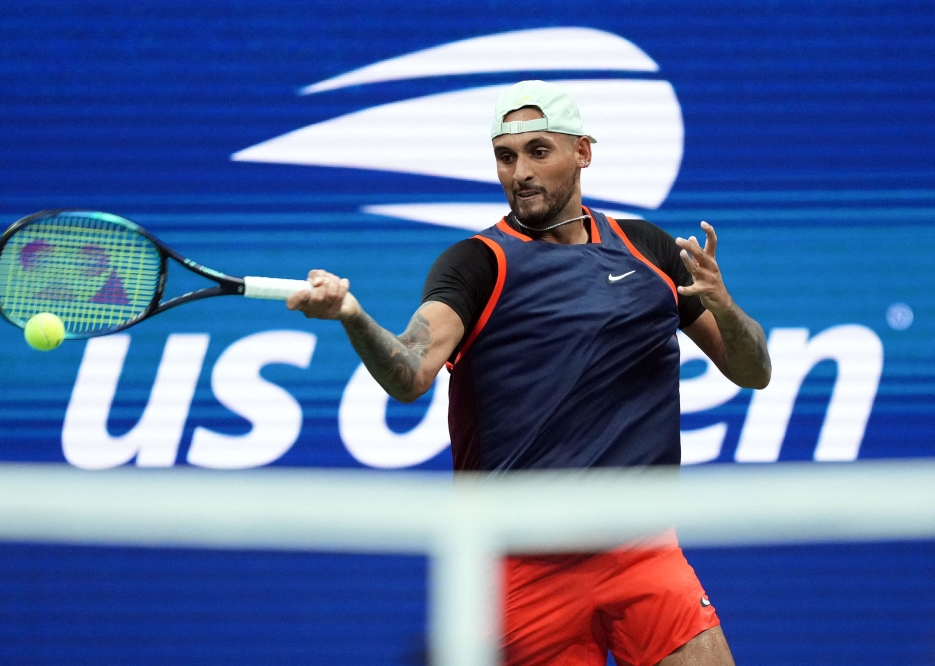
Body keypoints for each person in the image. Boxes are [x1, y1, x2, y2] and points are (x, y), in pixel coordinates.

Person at [286, 80, 771, 666]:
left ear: (583, 152)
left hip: (641, 548)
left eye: (539, 151)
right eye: (506, 156)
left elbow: (753, 371)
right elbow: (411, 370)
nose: (521, 171)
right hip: (521, 561)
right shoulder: (476, 264)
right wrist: (351, 315)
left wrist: (724, 306)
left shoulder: (648, 249)